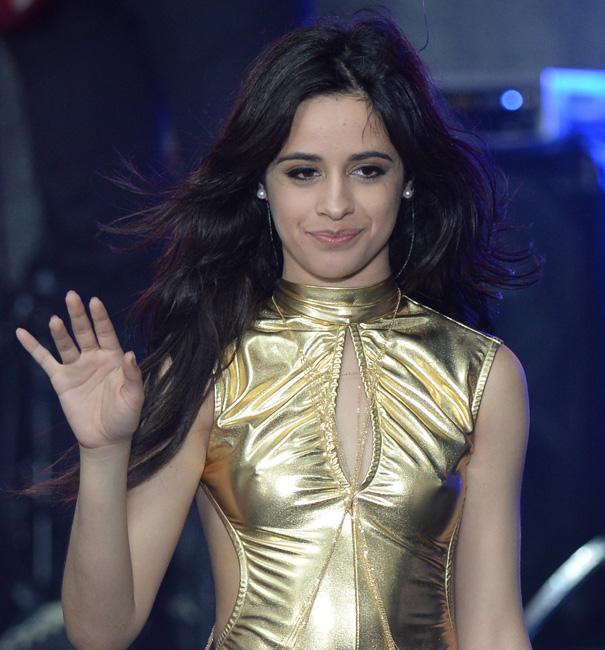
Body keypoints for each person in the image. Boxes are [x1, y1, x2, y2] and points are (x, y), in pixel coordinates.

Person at [15, 11, 537, 650]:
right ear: (262, 183)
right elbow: (100, 632)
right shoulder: (207, 366)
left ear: (408, 181)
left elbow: (495, 628)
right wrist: (102, 457)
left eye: (368, 170)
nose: (336, 204)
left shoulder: (482, 375)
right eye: (303, 172)